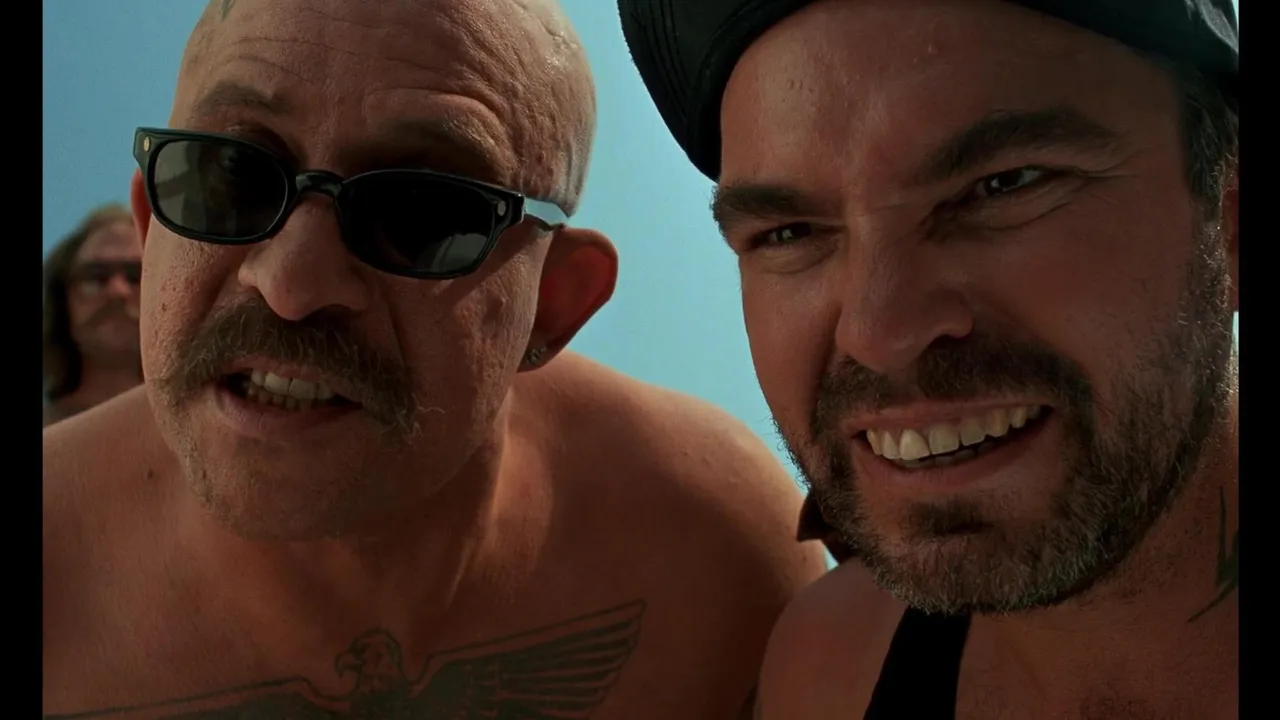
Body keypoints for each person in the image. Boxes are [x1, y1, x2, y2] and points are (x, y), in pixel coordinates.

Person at [41, 0, 829, 717]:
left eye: (422, 213)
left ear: (552, 303)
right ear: (153, 227)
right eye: (231, 179)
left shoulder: (713, 553)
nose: (291, 286)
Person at [620, 0, 1238, 717]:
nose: (878, 333)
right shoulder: (831, 670)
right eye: (791, 232)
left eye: (1004, 185)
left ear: (1229, 223)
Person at [43, 203, 143, 427]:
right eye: (96, 277)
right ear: (62, 298)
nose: (118, 291)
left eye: (136, 275)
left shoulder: (206, 428)